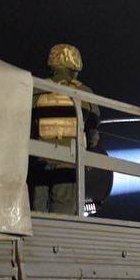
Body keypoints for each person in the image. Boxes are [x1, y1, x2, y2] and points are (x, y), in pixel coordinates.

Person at [29, 44, 102, 214]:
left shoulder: (36, 87)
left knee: (37, 211)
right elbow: (93, 130)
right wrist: (89, 149)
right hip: (68, 163)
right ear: (75, 66)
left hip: (39, 162)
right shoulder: (84, 91)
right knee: (63, 214)